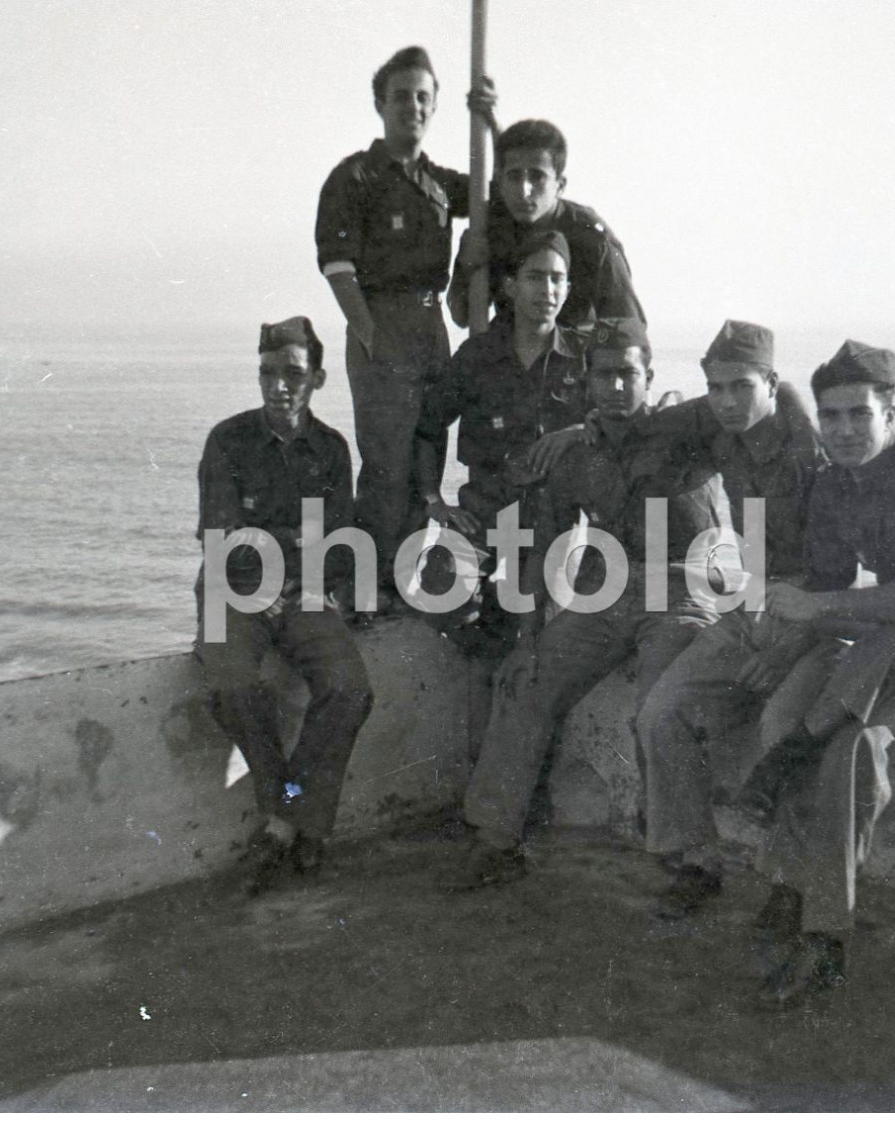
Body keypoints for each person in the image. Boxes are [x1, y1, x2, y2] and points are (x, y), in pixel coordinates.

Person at [654, 339, 895, 1008]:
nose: (845, 430)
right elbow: (823, 586)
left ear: (889, 411)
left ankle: (798, 747)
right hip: (887, 644)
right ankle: (818, 928)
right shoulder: (831, 482)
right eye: (831, 417)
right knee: (841, 748)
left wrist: (821, 609)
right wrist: (791, 640)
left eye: (859, 414)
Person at [445, 316, 737, 890]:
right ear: (587, 383)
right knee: (525, 679)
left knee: (664, 696)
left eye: (629, 374)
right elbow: (550, 547)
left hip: (683, 590)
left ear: (649, 377)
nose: (618, 387)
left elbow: (743, 413)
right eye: (605, 376)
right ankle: (499, 838)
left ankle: (694, 859)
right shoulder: (576, 454)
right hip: (606, 593)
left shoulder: (687, 430)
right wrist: (529, 636)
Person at [635, 320, 825, 920]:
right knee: (660, 712)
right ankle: (698, 861)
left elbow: (846, 577)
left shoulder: (811, 459)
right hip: (751, 605)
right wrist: (577, 431)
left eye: (740, 387)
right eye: (715, 388)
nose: (725, 402)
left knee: (783, 729)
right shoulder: (723, 430)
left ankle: (789, 888)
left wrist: (791, 644)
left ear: (771, 383)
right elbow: (651, 426)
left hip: (815, 616)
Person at [194, 317, 374, 897]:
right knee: (234, 687)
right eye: (268, 373)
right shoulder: (227, 441)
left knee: (349, 688)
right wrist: (293, 550)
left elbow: (339, 542)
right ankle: (298, 817)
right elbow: (223, 537)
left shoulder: (331, 450)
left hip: (302, 595)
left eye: (293, 373)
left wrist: (300, 564)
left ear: (318, 378)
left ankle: (284, 817)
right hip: (235, 592)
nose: (279, 386)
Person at [315, 46, 474, 612]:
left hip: (432, 326)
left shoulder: (437, 182)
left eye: (425, 97)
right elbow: (337, 267)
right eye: (403, 95)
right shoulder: (355, 176)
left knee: (428, 454)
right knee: (388, 464)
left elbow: (495, 190)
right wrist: (371, 336)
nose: (414, 106)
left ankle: (405, 578)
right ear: (381, 103)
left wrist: (490, 117)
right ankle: (369, 587)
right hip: (382, 322)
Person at [413, 229, 587, 644]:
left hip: (551, 523)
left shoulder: (583, 358)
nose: (547, 289)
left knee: (542, 626)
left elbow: (623, 422)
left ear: (567, 287)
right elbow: (428, 426)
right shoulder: (477, 356)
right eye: (534, 277)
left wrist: (577, 432)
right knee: (440, 594)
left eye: (556, 279)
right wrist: (434, 500)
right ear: (510, 285)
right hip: (483, 516)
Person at [446, 117, 643, 334]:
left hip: (573, 360)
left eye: (537, 177)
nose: (524, 191)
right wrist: (467, 267)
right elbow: (462, 315)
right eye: (514, 177)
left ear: (560, 185)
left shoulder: (590, 237)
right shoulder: (492, 231)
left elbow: (628, 328)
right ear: (500, 181)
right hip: (510, 360)